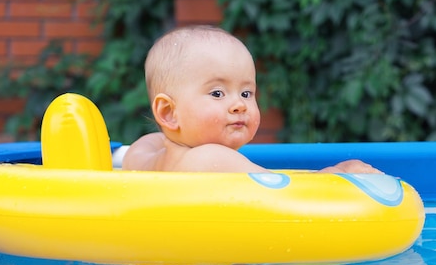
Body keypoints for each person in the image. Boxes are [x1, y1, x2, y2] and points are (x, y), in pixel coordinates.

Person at [122, 25, 381, 174]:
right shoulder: (210, 159)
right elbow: (284, 190)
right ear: (168, 113)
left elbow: (149, 142)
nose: (239, 105)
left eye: (246, 93)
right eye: (217, 93)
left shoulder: (143, 155)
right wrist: (337, 172)